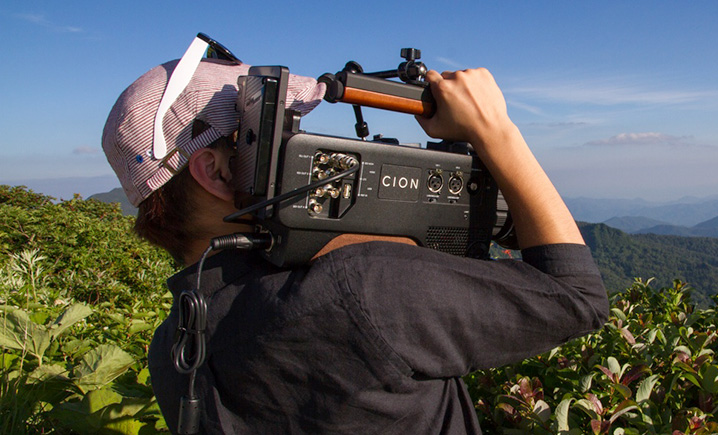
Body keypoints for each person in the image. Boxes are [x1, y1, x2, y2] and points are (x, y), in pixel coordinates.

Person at [102, 40, 608, 434]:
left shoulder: (172, 347)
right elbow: (578, 299)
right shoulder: (363, 289)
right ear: (214, 171)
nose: (297, 144)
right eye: (273, 132)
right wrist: (497, 132)